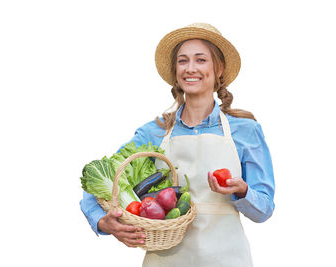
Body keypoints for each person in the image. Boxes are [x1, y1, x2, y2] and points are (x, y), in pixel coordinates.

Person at [80, 23, 275, 267]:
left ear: (219, 68)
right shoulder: (154, 133)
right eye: (183, 61)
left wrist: (242, 190)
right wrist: (102, 221)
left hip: (227, 259)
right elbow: (101, 176)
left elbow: (265, 208)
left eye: (201, 60)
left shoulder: (246, 130)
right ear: (175, 70)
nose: (190, 68)